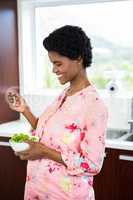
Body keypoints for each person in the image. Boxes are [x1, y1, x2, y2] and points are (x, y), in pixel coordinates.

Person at [7, 25, 108, 200]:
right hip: (38, 190)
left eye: (58, 63)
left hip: (66, 195)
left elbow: (93, 165)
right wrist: (25, 110)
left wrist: (43, 151)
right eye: (52, 63)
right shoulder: (64, 95)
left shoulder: (94, 105)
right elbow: (47, 133)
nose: (54, 70)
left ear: (78, 58)